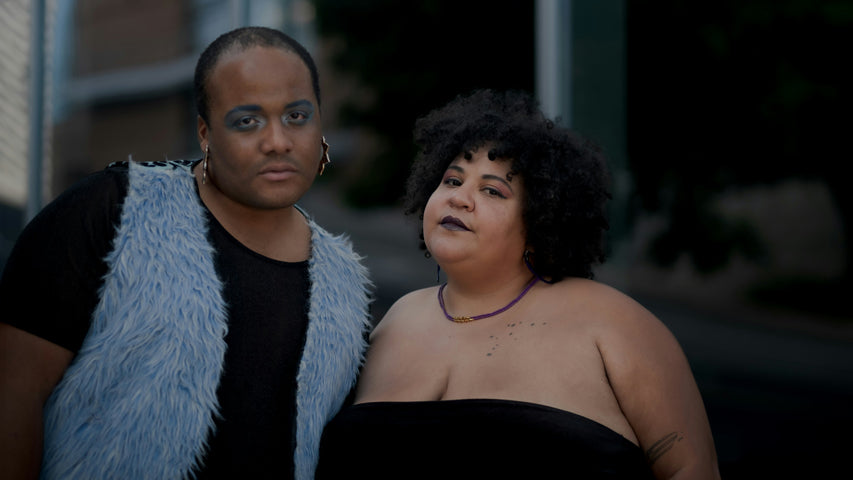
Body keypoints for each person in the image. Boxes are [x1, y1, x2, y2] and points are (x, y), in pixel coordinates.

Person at [0, 27, 372, 480]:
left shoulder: (345, 282)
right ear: (205, 133)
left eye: (296, 116)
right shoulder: (114, 212)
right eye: (247, 121)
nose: (278, 141)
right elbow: (14, 390)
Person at [316, 89, 720, 479]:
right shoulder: (394, 322)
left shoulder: (613, 322)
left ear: (540, 220)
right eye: (453, 181)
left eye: (492, 190)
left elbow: (692, 468)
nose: (460, 198)